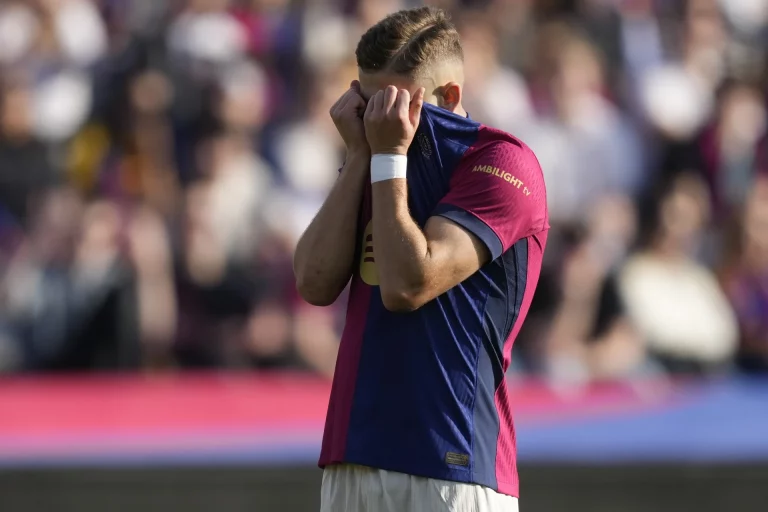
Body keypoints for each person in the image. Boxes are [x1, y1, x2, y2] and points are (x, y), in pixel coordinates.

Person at [293, 7, 548, 512]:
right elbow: (314, 282)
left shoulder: (499, 163)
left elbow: (408, 285)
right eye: (367, 104)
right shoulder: (374, 157)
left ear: (449, 95)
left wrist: (385, 157)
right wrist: (361, 159)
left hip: (452, 465)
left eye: (395, 104)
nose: (381, 120)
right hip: (353, 456)